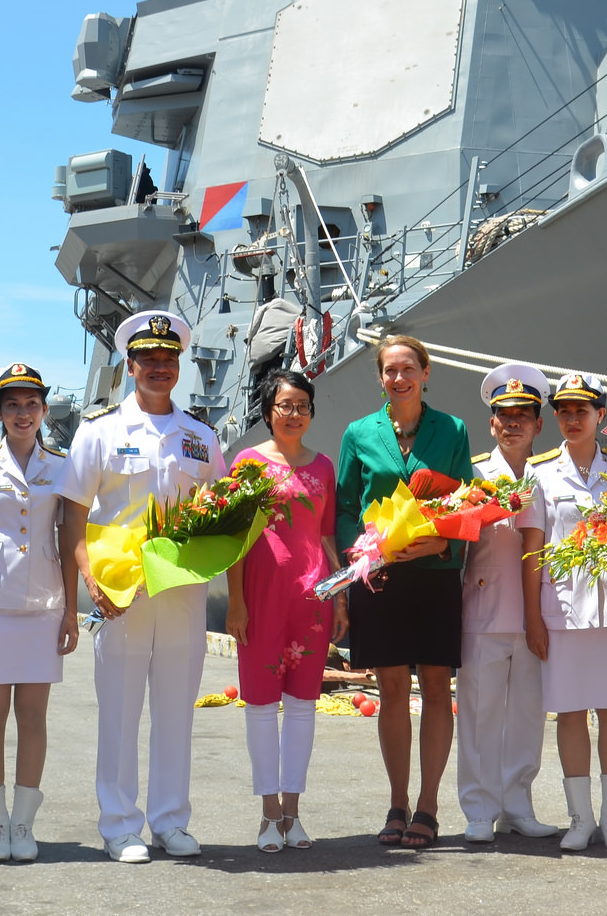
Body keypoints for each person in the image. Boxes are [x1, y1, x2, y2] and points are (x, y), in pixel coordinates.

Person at [67, 311, 223, 864]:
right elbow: (74, 515)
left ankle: (171, 821)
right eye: (148, 359)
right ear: (130, 366)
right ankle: (119, 825)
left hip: (182, 591)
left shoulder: (201, 437)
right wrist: (90, 581)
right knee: (120, 710)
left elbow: (220, 507)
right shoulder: (100, 431)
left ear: (179, 366)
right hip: (123, 593)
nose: (160, 367)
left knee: (177, 709)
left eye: (168, 358)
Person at [335, 333, 472, 851]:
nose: (399, 378)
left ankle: (428, 806)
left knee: (436, 688)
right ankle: (397, 803)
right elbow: (345, 508)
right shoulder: (358, 433)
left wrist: (441, 544)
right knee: (391, 690)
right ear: (380, 377)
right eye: (390, 370)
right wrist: (360, 556)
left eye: (408, 368)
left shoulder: (452, 429)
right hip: (381, 577)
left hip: (435, 573)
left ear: (426, 373)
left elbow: (466, 502)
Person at [0, 363, 83, 863]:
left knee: (33, 716)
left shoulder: (62, 466)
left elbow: (68, 541)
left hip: (43, 603)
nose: (22, 413)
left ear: (45, 410)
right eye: (12, 405)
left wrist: (70, 611)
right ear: (0, 412)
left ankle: (24, 822)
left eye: (31, 404)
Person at [519, 372, 607, 851]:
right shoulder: (539, 472)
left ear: (601, 416)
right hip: (562, 612)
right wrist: (532, 617)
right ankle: (580, 819)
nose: (573, 419)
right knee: (570, 713)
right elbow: (532, 551)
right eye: (565, 411)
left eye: (582, 410)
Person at [223, 369, 344, 853]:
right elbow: (234, 538)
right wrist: (235, 602)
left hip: (312, 600)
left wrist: (340, 596)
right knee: (259, 705)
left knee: (301, 706)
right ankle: (268, 811)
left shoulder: (324, 467)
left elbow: (328, 536)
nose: (294, 414)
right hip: (260, 597)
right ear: (268, 411)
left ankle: (293, 811)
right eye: (285, 405)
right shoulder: (247, 463)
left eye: (302, 406)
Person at [457, 363, 558, 844]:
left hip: (538, 614)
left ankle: (517, 805)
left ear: (539, 424)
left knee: (527, 714)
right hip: (484, 609)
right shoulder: (474, 474)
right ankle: (479, 809)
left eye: (523, 415)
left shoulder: (549, 477)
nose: (513, 423)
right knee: (479, 714)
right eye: (504, 415)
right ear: (491, 422)